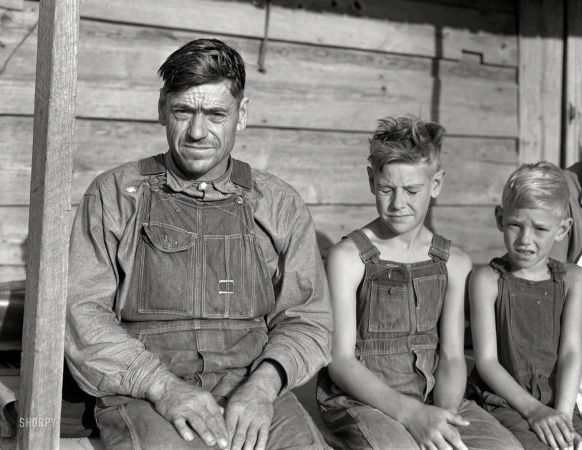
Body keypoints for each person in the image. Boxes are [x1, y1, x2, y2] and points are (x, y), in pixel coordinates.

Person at [64, 38, 333, 450]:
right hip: (144, 391)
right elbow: (81, 314)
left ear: (242, 115)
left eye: (216, 114)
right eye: (183, 111)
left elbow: (308, 319)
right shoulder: (116, 195)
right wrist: (161, 386)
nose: (197, 131)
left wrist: (264, 385)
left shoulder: (278, 203)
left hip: (252, 387)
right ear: (161, 109)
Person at [316, 116, 522, 450]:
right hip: (361, 401)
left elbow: (454, 357)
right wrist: (411, 414)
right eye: (386, 189)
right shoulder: (348, 257)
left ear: (436, 183)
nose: (398, 204)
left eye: (413, 190)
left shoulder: (454, 263)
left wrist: (443, 416)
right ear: (371, 180)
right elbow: (340, 361)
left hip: (434, 399)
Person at [468, 162, 582, 450]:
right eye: (515, 224)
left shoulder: (573, 279)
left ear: (562, 229)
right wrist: (534, 411)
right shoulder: (486, 280)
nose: (525, 240)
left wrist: (563, 416)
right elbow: (487, 362)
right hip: (505, 402)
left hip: (559, 402)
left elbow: (571, 352)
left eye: (540, 228)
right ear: (499, 218)